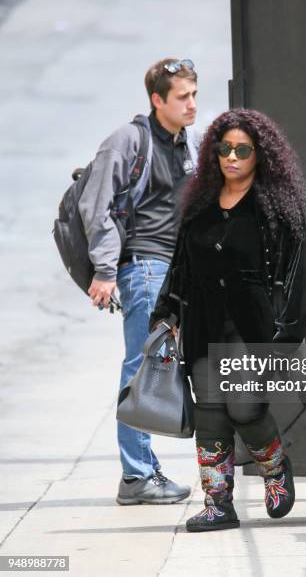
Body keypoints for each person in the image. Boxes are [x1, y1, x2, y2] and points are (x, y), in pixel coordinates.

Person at [150, 108, 306, 532]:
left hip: (251, 323)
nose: (233, 157)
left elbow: (294, 274)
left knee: (243, 406)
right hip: (203, 320)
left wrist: (288, 328)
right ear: (214, 153)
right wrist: (166, 310)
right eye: (225, 148)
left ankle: (275, 468)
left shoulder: (275, 208)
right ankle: (218, 503)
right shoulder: (199, 205)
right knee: (210, 411)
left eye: (243, 149)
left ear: (261, 155)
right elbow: (181, 265)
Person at [79, 58, 199, 505]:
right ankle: (136, 475)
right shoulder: (128, 141)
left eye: (194, 95)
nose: (191, 104)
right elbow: (97, 206)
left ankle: (146, 470)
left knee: (161, 368)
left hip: (176, 269)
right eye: (182, 97)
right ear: (157, 100)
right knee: (142, 368)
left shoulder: (186, 143)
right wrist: (106, 271)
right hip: (145, 268)